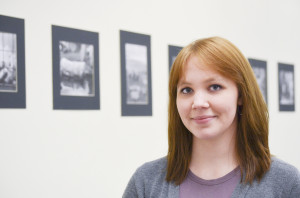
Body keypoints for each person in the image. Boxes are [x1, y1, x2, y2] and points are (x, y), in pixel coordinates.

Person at [122, 37, 300, 198]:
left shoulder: (286, 184)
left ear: (241, 95)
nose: (198, 103)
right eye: (186, 90)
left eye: (214, 87)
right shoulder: (145, 182)